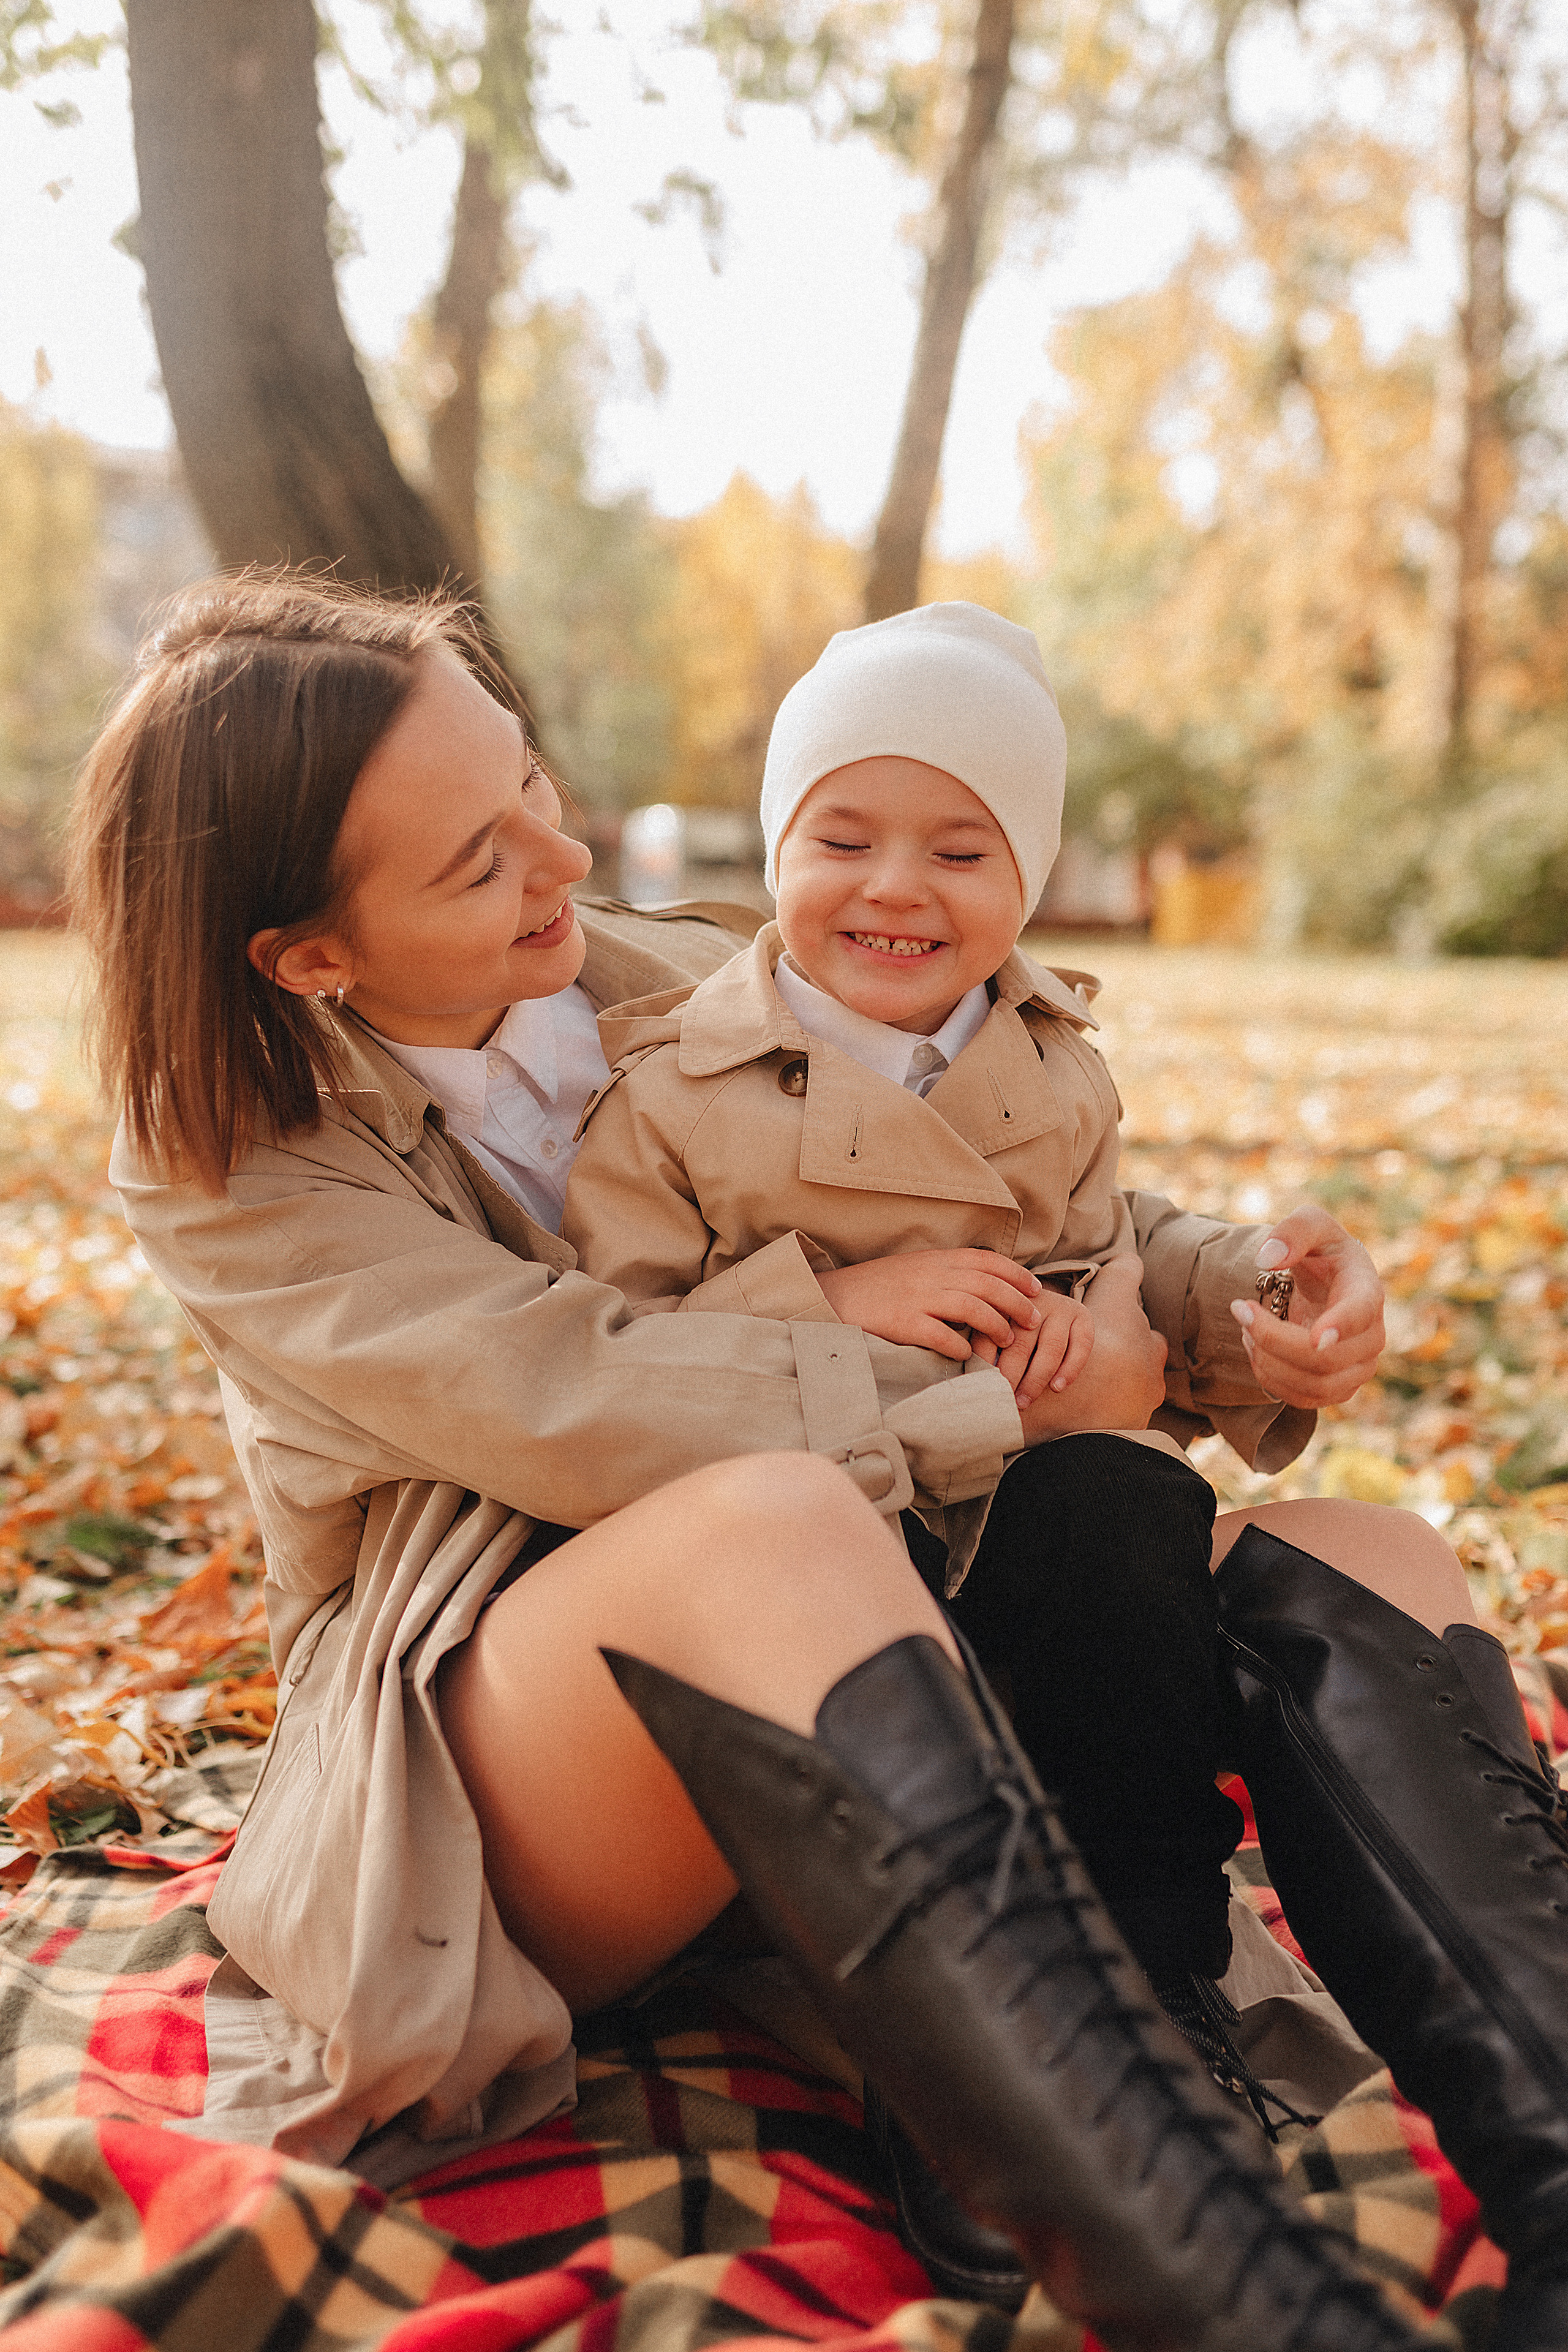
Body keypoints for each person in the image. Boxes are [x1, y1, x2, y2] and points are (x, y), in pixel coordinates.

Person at [68, 572, 1568, 2350]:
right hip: (514, 1736)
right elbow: (573, 1396)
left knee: (1365, 1551)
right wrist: (972, 1387)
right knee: (769, 1521)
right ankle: (1225, 2300)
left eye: (534, 789)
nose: (563, 860)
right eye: (479, 862)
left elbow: (1016, 1218)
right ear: (309, 953)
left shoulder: (697, 966)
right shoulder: (231, 1162)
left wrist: (1236, 1304)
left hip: (895, 1635)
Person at [560, 605, 1242, 2060]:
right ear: (776, 848)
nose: (894, 890)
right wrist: (823, 1298)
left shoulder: (1055, 1071)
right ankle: (964, 2050)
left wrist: (1115, 1321)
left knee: (1126, 1509)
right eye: (842, 836)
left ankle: (1157, 1982)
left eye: (959, 849)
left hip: (1018, 1508)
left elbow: (1091, 1257)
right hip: (817, 1533)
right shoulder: (676, 1088)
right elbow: (619, 1350)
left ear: (1026, 872)